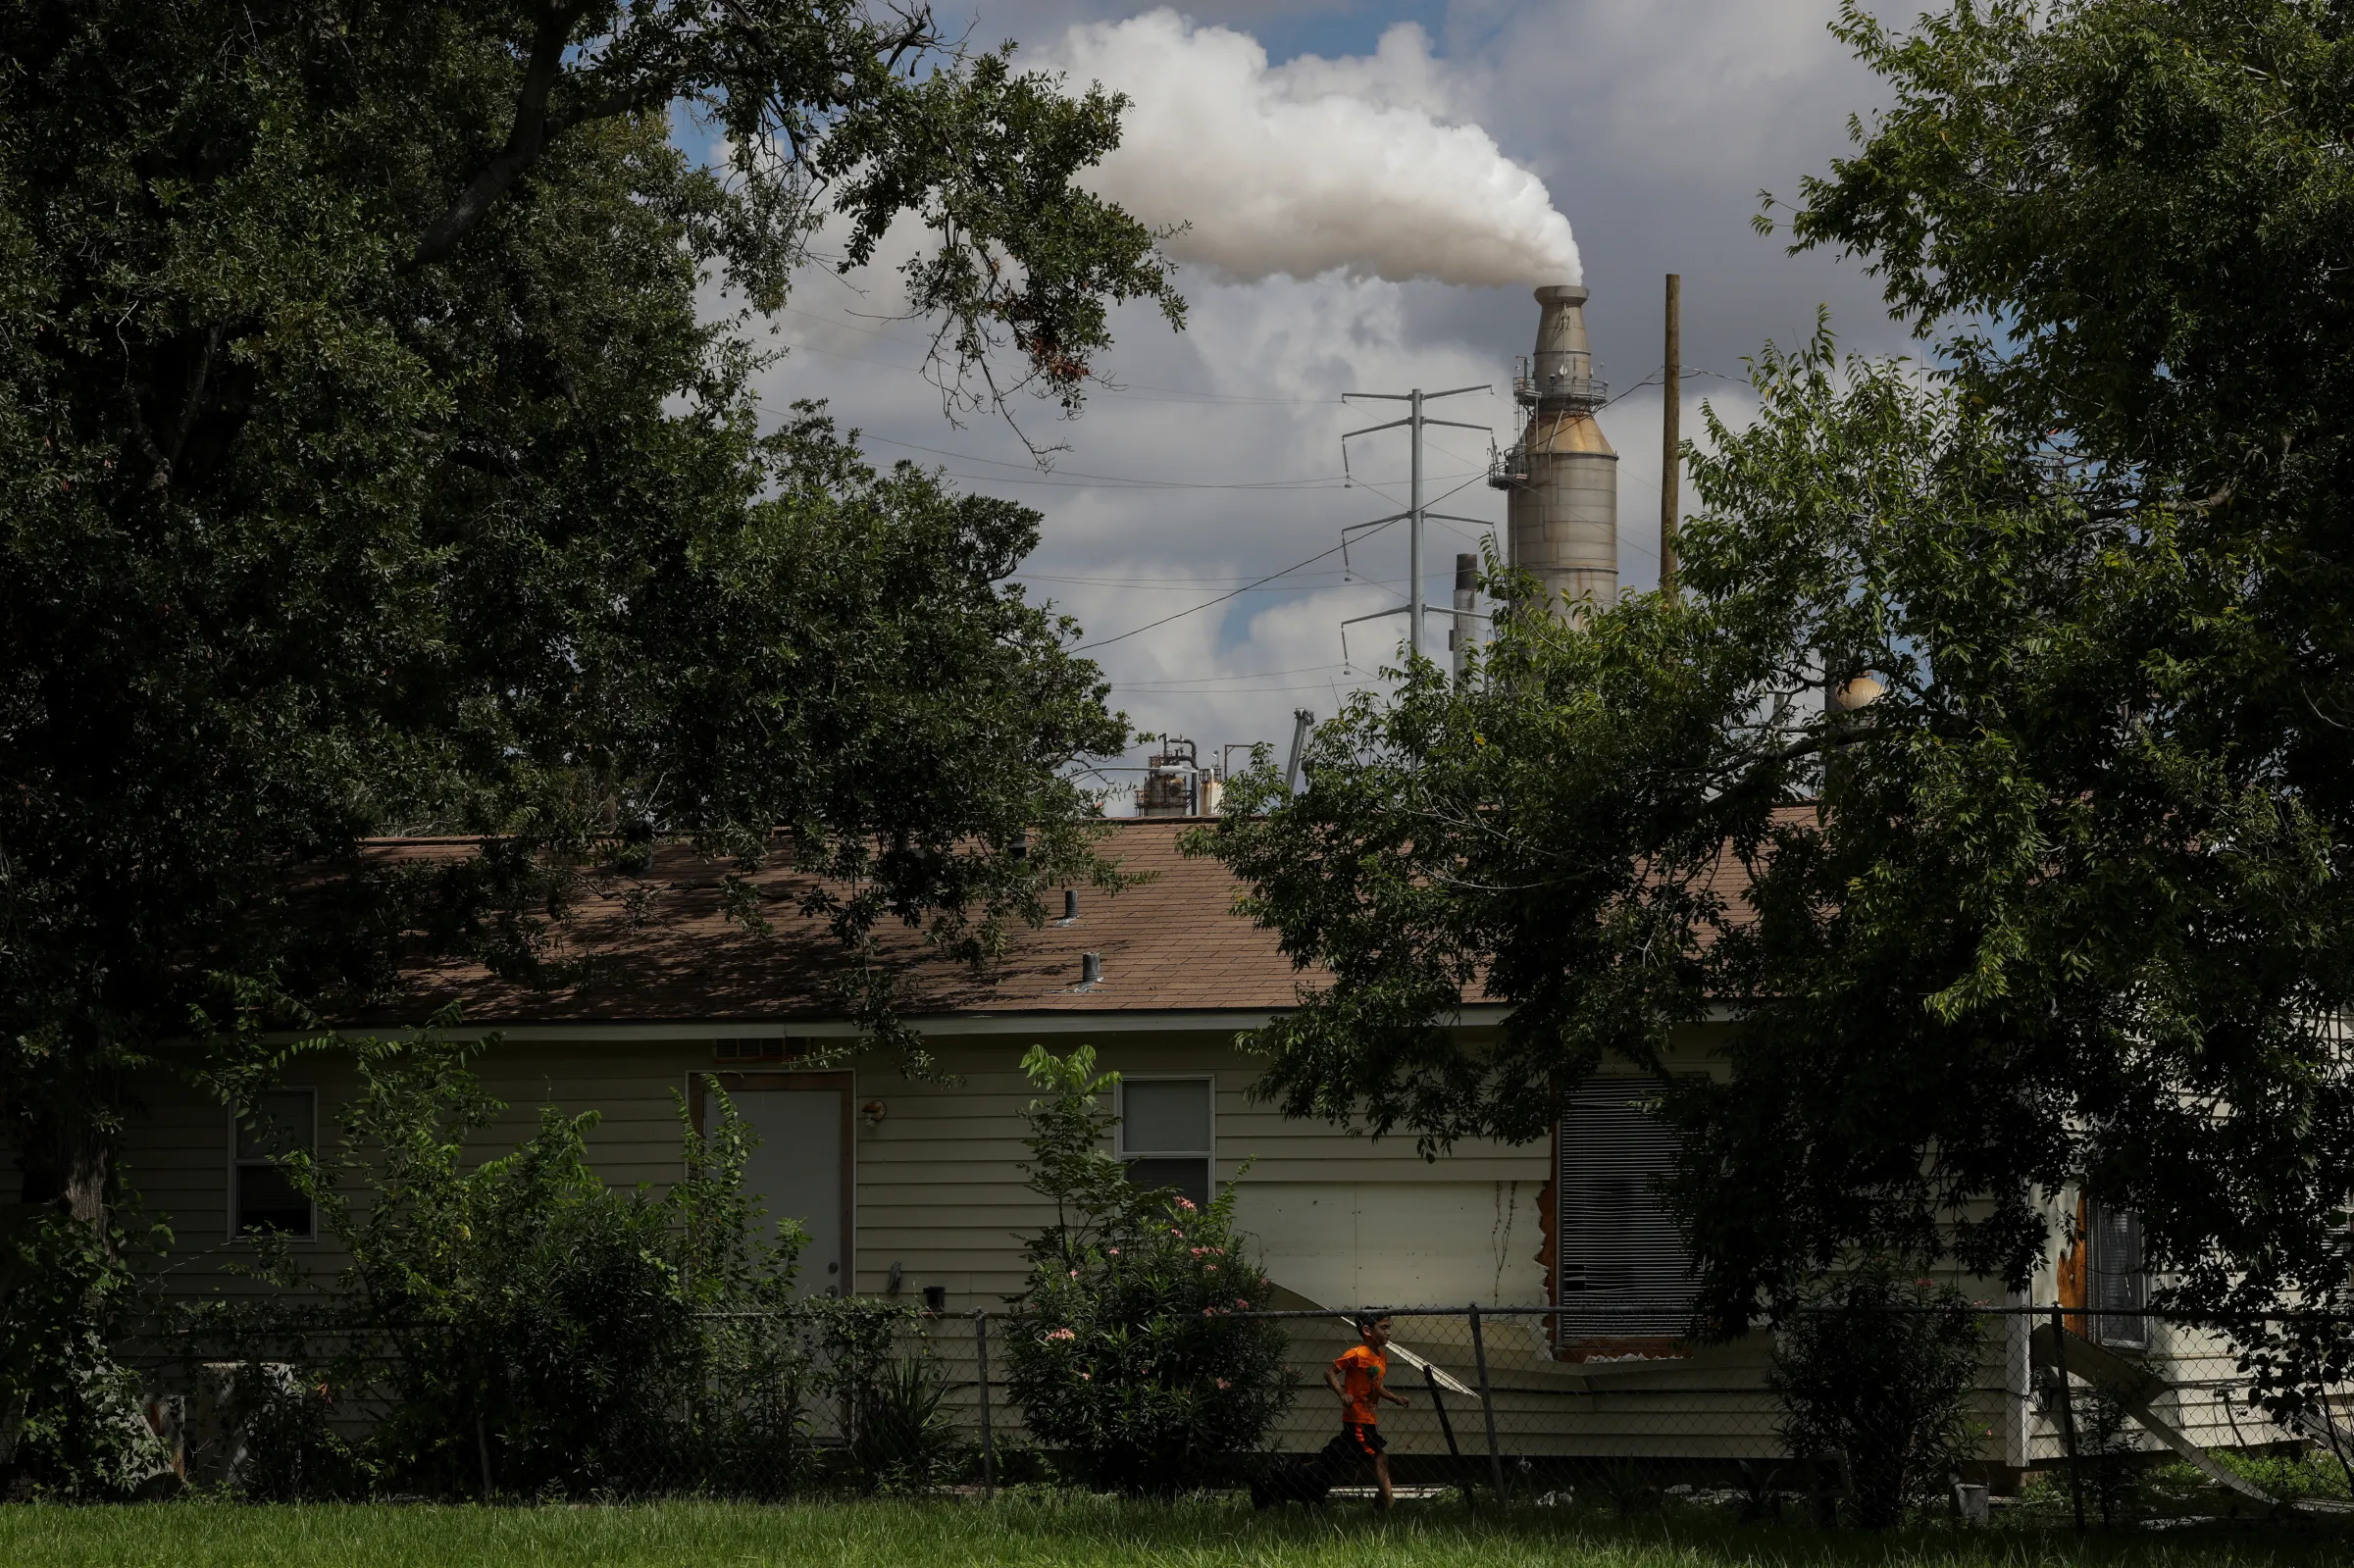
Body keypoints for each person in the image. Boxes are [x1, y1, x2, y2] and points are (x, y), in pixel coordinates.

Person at [1325, 1312, 1410, 1507]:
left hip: (1368, 1418)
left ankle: (1305, 1476)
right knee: (1379, 1456)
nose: (1388, 1332)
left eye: (1389, 1327)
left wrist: (1396, 1398)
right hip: (1356, 1419)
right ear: (1366, 1330)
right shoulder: (1356, 1354)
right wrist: (1342, 1393)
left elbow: (1377, 1387)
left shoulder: (1381, 1357)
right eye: (1384, 1327)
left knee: (1336, 1458)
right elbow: (1330, 1373)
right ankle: (1388, 1501)